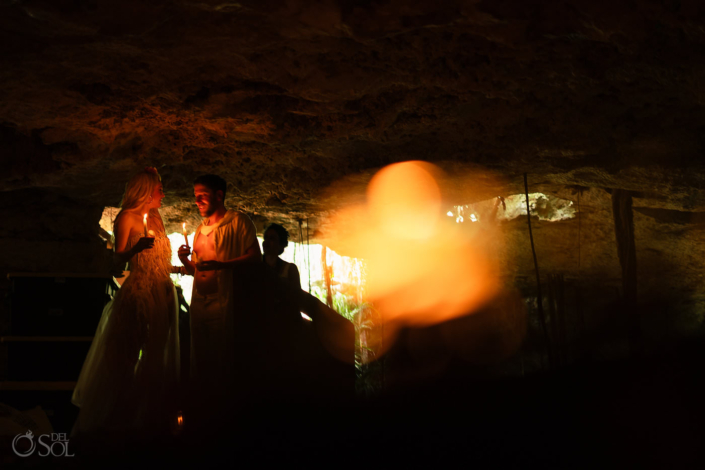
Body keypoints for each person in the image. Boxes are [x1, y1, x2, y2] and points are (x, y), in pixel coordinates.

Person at [72, 167, 181, 445]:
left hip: (161, 291)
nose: (163, 194)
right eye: (159, 189)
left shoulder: (156, 217)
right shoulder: (126, 218)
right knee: (125, 352)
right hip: (139, 291)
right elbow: (117, 261)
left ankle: (147, 418)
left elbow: (159, 261)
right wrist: (135, 249)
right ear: (145, 191)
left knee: (157, 353)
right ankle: (111, 419)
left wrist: (180, 266)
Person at [177, 174, 260, 421]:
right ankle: (202, 414)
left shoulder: (238, 222)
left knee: (222, 359)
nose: (197, 200)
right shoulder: (199, 231)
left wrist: (223, 265)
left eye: (202, 194)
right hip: (199, 304)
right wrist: (185, 261)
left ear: (219, 195)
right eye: (195, 195)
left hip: (222, 302)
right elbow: (198, 271)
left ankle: (224, 416)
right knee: (200, 360)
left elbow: (255, 258)